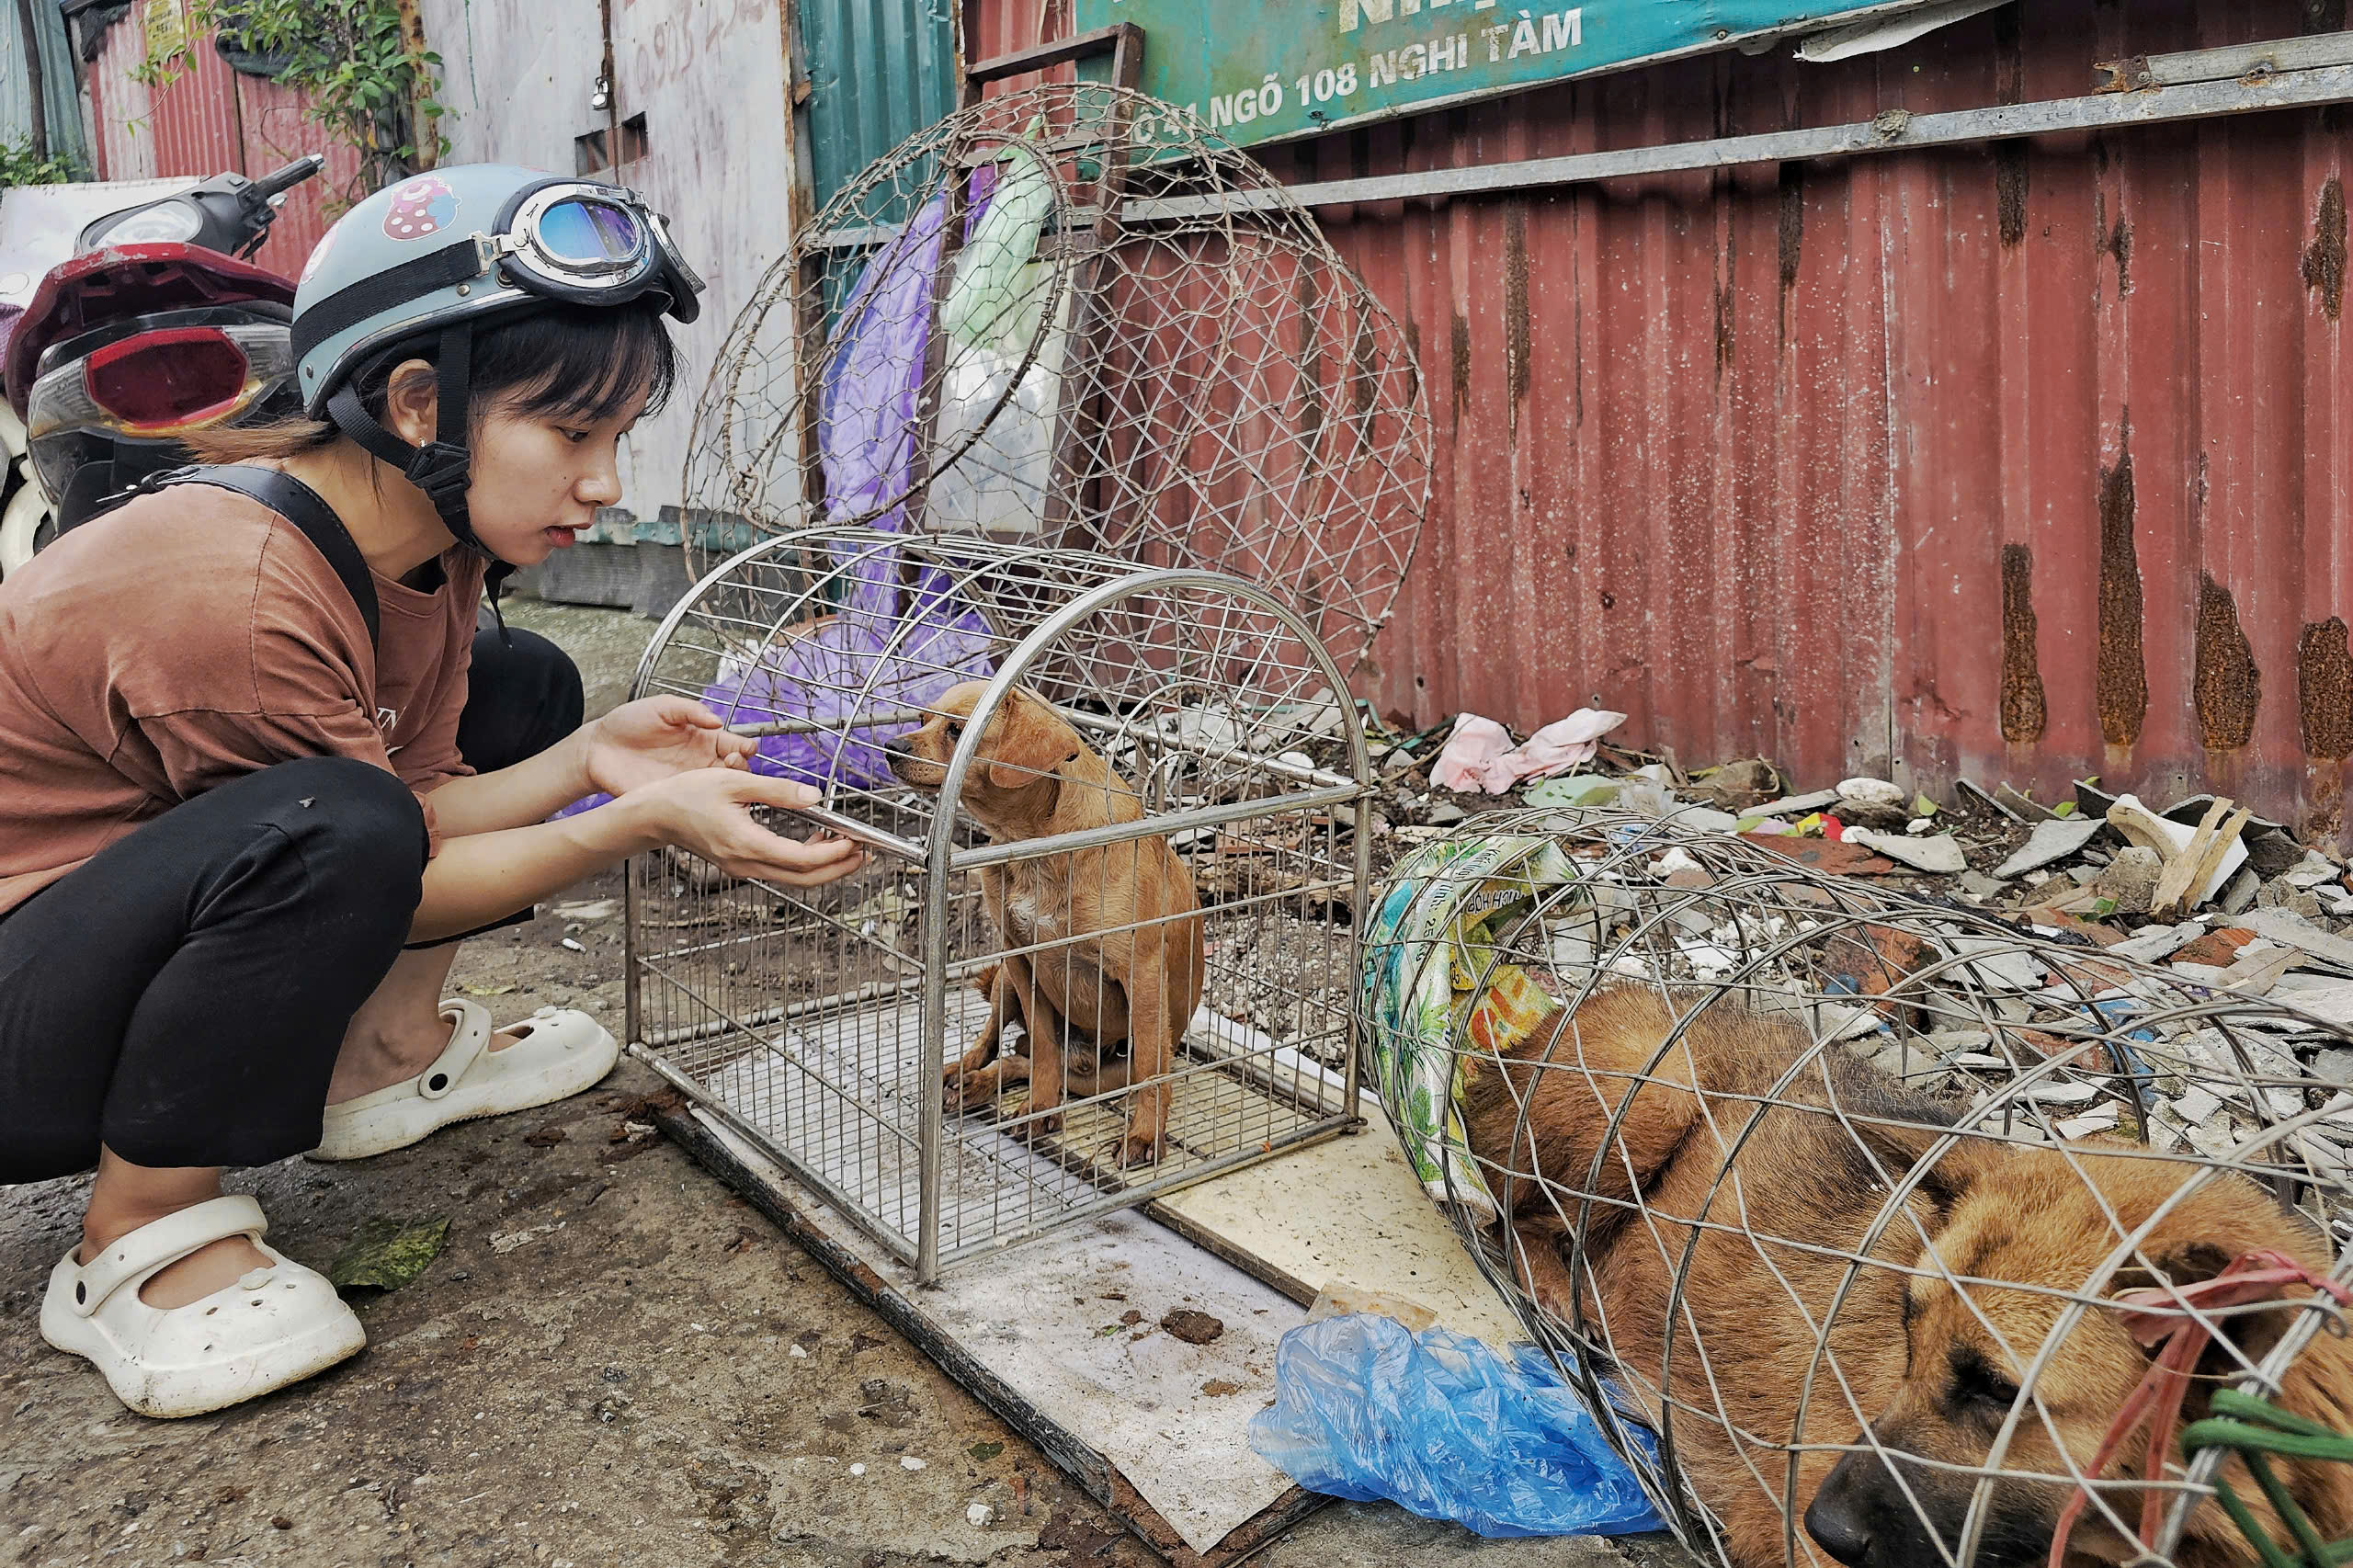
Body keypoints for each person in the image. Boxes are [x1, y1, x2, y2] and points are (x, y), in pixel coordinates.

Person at [0, 165, 865, 1419]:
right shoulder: (238, 591)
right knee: (327, 831)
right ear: (418, 404)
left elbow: (416, 798)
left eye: (617, 438)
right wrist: (632, 820)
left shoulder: (425, 547)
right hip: (21, 1019)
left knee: (530, 692)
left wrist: (588, 760)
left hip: (108, 922)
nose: (607, 482)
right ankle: (140, 1235)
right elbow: (378, 870)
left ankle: (381, 1060)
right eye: (573, 435)